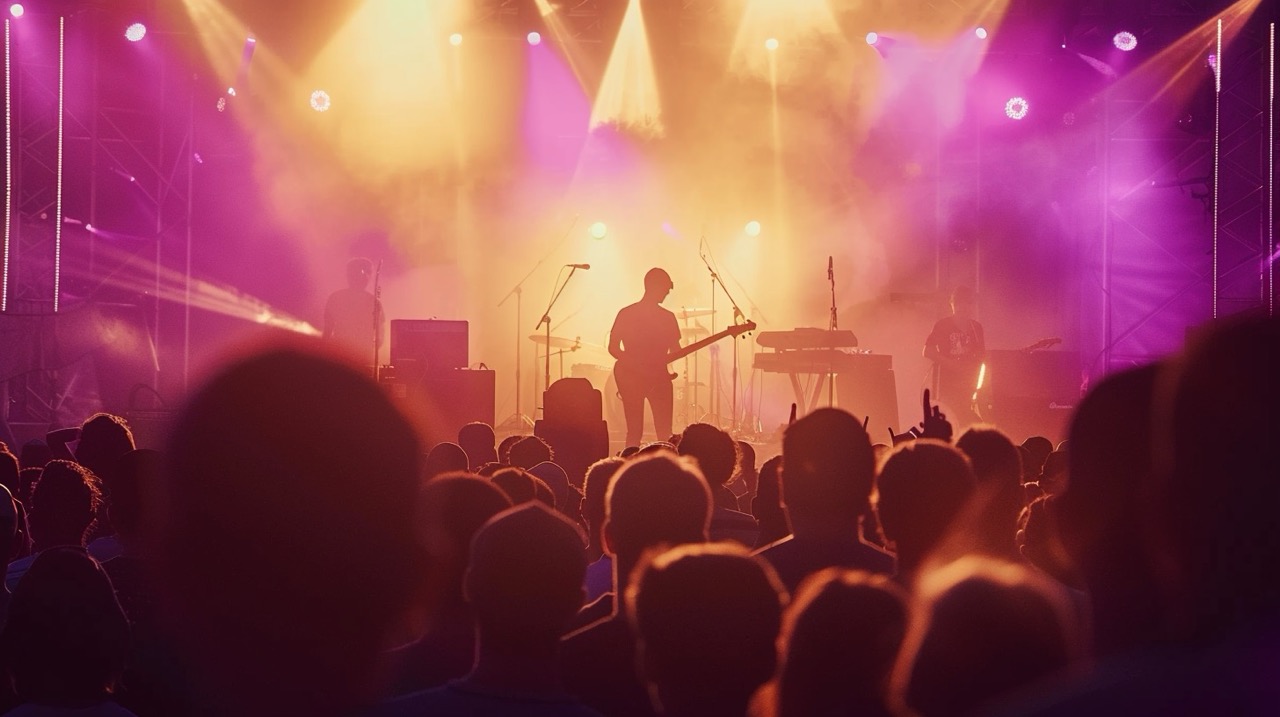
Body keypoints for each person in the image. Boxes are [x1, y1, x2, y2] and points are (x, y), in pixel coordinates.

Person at [609, 269, 682, 448]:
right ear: (655, 286)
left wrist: (635, 365)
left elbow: (675, 350)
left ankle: (633, 460)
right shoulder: (664, 317)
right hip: (640, 376)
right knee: (646, 431)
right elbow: (613, 347)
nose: (668, 292)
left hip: (653, 376)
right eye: (666, 288)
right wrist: (635, 365)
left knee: (651, 431)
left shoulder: (627, 313)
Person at [922, 286, 985, 428]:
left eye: (967, 303)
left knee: (968, 421)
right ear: (952, 304)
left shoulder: (976, 328)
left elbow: (982, 357)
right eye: (959, 303)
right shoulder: (943, 325)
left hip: (969, 385)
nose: (963, 307)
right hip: (947, 385)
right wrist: (951, 364)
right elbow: (927, 351)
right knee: (951, 420)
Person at [324, 257, 386, 366]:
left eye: (368, 273)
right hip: (343, 358)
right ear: (350, 275)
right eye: (360, 272)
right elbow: (327, 331)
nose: (365, 277)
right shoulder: (336, 298)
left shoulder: (374, 302)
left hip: (355, 358)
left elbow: (380, 335)